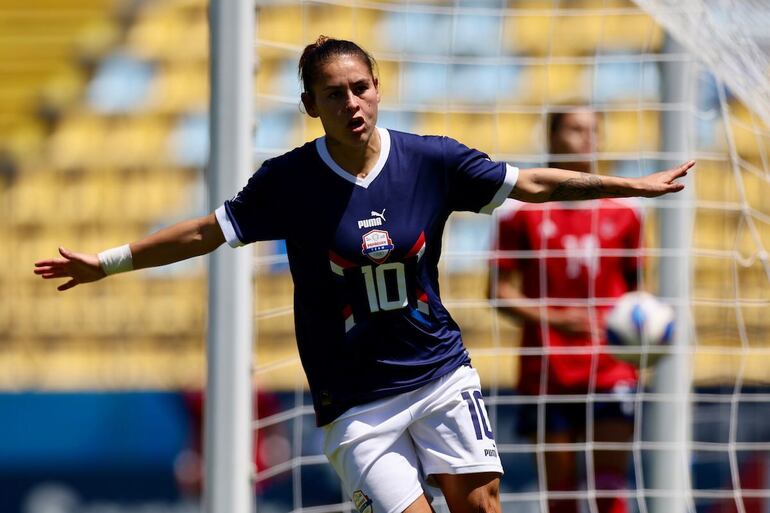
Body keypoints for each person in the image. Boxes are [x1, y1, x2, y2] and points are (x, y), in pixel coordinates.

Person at [34, 37, 693, 513]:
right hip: (355, 402)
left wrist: (633, 184)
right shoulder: (289, 181)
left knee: (483, 505)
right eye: (334, 93)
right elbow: (207, 231)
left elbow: (534, 184)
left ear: (378, 86)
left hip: (439, 373)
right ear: (309, 103)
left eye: (361, 87)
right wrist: (109, 262)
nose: (352, 102)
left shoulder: (431, 161)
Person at [489, 107, 645, 513]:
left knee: (609, 487)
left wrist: (640, 342)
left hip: (610, 366)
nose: (588, 137)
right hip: (547, 368)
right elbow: (498, 292)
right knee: (561, 495)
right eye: (576, 129)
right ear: (553, 137)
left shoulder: (626, 212)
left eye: (594, 130)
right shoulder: (519, 213)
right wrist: (556, 318)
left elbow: (636, 292)